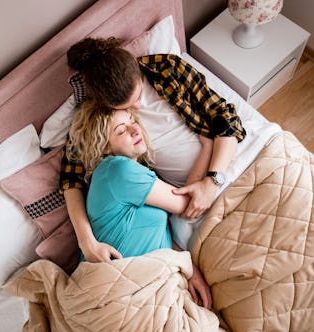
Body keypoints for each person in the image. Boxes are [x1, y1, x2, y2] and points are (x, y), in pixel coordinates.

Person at [60, 37, 246, 263]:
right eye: (126, 107)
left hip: (232, 163)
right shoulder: (97, 119)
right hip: (192, 201)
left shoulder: (167, 67)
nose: (138, 107)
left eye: (138, 96)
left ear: (137, 71)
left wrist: (212, 181)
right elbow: (70, 180)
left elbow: (225, 118)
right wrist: (86, 241)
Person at [67, 102, 212, 309]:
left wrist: (189, 268)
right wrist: (208, 147)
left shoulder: (132, 175)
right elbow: (188, 204)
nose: (135, 129)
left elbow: (154, 232)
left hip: (154, 288)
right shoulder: (118, 170)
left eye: (132, 121)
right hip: (116, 297)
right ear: (105, 147)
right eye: (121, 130)